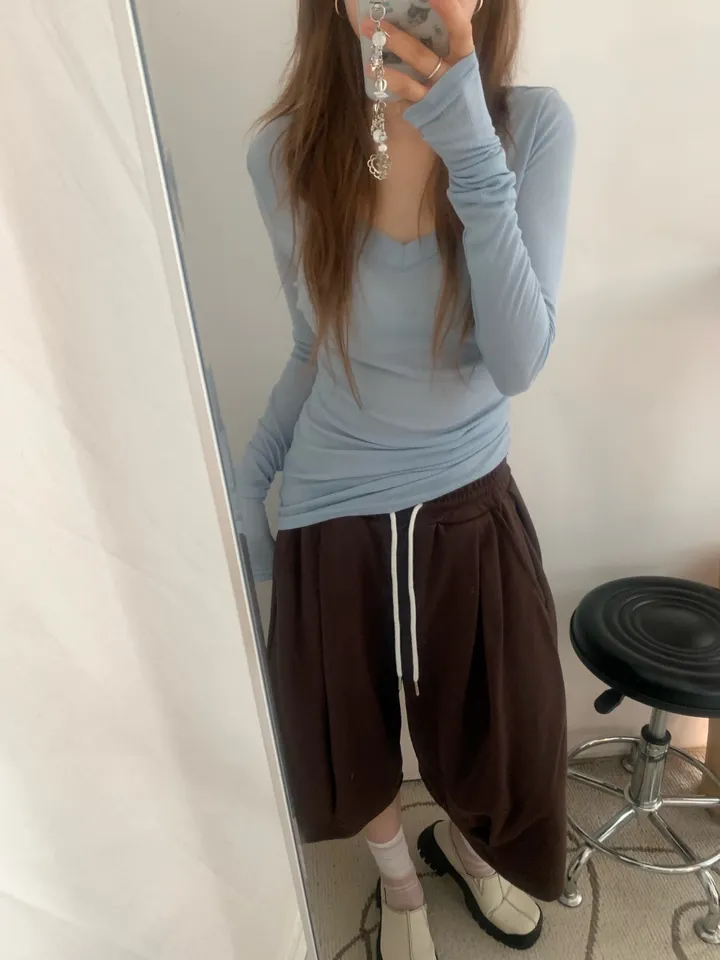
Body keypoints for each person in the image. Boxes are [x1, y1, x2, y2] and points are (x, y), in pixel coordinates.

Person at [238, 0, 575, 956]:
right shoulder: (284, 154)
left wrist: (471, 148)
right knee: (345, 736)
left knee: (496, 739)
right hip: (330, 502)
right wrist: (249, 474)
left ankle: (467, 851)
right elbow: (314, 346)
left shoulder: (532, 126)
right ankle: (400, 887)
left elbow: (518, 361)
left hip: (467, 501)